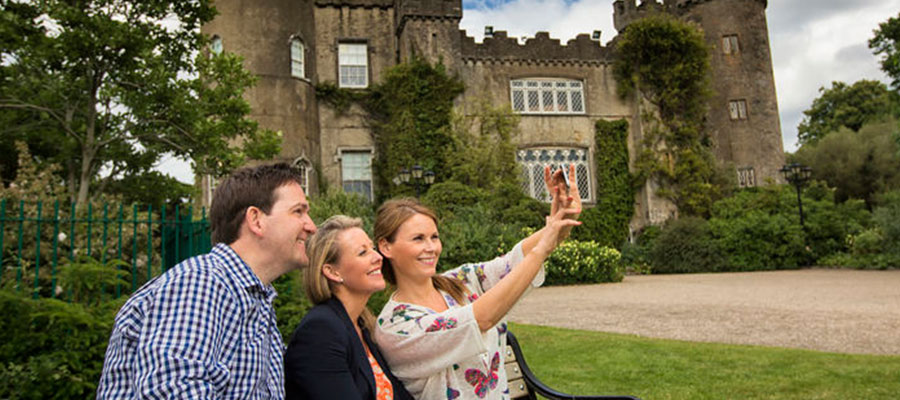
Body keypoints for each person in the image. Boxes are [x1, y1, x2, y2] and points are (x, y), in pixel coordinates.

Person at [97, 163, 317, 399]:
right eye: (298, 211)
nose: (311, 226)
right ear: (256, 220)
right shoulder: (201, 283)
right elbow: (173, 390)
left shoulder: (255, 299)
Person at [373, 165, 581, 400]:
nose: (431, 248)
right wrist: (543, 247)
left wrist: (562, 217)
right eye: (418, 239)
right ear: (386, 246)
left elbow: (516, 261)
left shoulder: (460, 282)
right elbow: (480, 319)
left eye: (434, 237)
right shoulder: (397, 326)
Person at [284, 216, 414, 400]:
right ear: (332, 272)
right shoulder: (321, 331)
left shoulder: (363, 327)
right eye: (363, 253)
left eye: (373, 249)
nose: (378, 257)